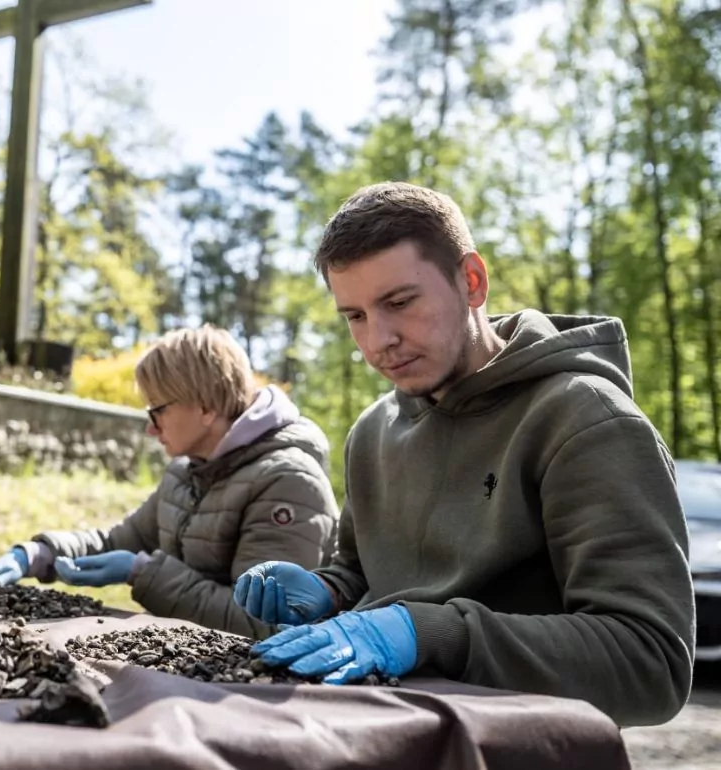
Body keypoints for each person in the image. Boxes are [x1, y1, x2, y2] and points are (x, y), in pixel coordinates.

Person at [232, 181, 695, 728]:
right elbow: (360, 575)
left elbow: (651, 662)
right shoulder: (372, 433)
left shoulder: (585, 419)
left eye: (400, 302)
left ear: (471, 281)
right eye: (354, 316)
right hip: (374, 734)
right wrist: (326, 594)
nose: (379, 339)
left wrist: (426, 632)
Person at [0, 325, 340, 638]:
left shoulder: (288, 483)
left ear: (205, 407)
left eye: (158, 411)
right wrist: (38, 554)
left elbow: (264, 625)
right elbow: (119, 542)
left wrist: (142, 573)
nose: (151, 429)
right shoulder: (188, 470)